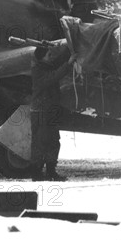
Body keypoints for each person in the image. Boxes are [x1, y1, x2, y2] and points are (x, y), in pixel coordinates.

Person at [30, 46, 77, 181]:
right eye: (49, 55)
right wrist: (68, 63)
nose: (51, 57)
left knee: (53, 141)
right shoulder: (38, 70)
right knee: (41, 141)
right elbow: (53, 77)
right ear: (42, 57)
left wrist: (70, 48)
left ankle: (51, 171)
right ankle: (36, 173)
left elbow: (57, 63)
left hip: (50, 110)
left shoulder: (46, 65)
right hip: (41, 111)